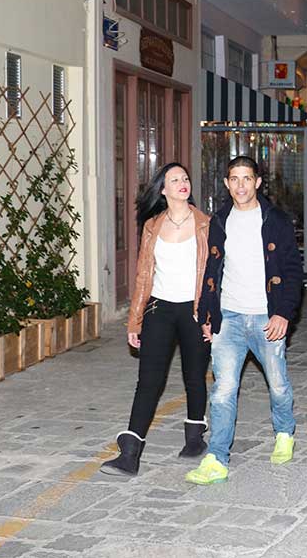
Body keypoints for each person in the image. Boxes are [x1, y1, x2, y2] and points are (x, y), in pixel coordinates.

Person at [185, 156, 303, 486]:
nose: (241, 185)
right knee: (223, 390)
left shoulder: (276, 220)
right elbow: (211, 271)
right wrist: (207, 315)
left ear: (258, 182)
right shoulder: (219, 221)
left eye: (247, 178)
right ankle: (216, 457)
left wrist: (284, 313)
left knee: (277, 383)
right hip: (230, 317)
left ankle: (284, 432)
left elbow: (292, 271)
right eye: (234, 179)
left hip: (266, 315)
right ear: (226, 183)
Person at [100, 163, 212, 477]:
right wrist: (134, 321)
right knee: (149, 381)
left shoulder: (206, 224)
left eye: (185, 178)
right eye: (174, 180)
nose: (183, 183)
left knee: (194, 376)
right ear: (162, 189)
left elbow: (214, 277)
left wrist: (210, 316)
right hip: (159, 310)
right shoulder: (152, 226)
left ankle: (195, 438)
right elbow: (142, 276)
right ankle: (130, 454)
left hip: (193, 310)